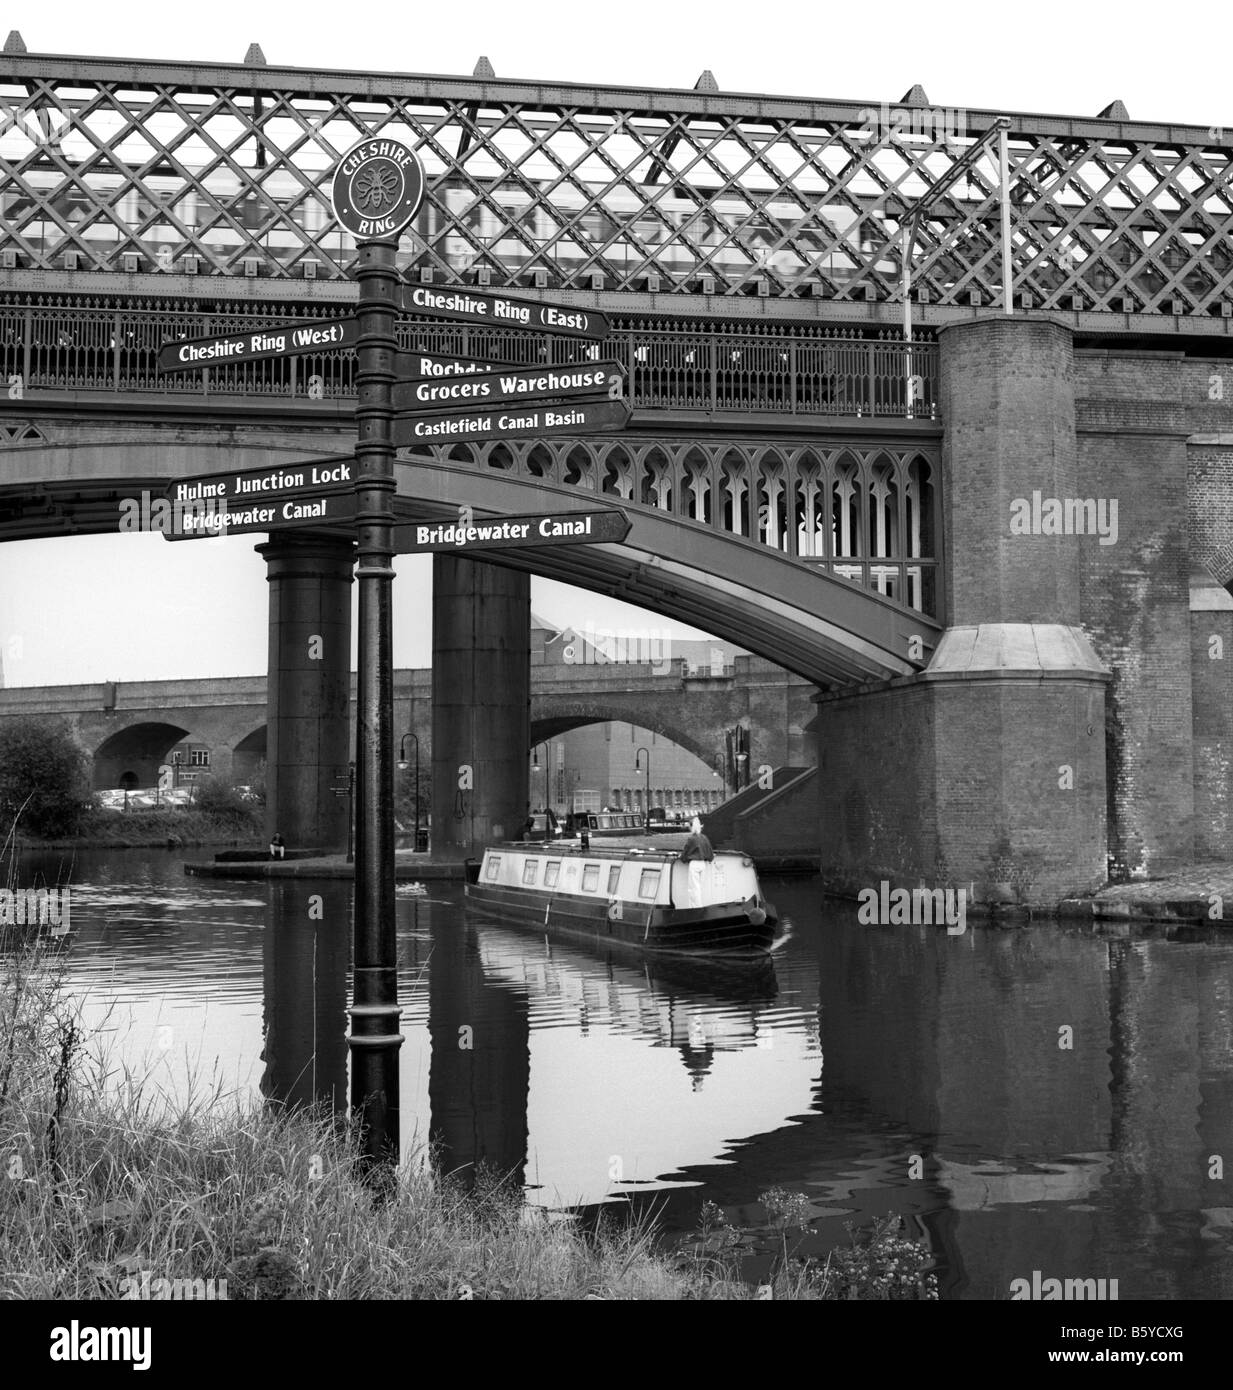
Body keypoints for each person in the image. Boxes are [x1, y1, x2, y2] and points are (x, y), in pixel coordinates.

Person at [679, 817, 713, 907]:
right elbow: (710, 854)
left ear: (691, 827)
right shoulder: (704, 838)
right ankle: (697, 907)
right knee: (700, 888)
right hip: (703, 864)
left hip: (694, 864)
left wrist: (682, 858)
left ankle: (697, 908)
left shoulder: (691, 839)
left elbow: (685, 853)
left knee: (693, 889)